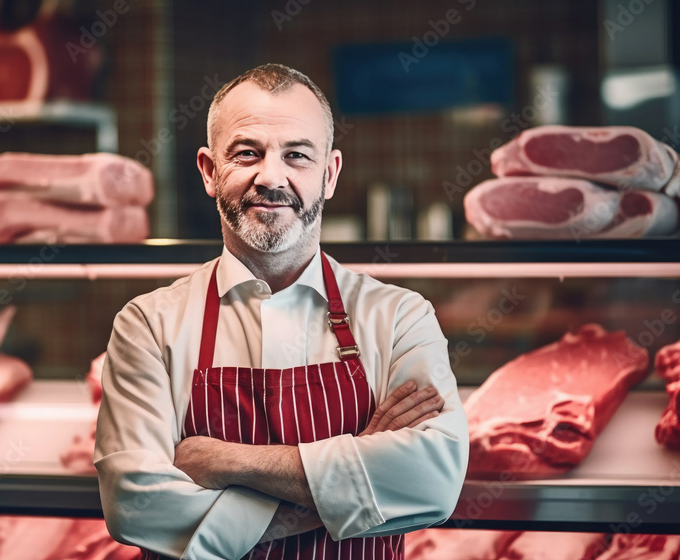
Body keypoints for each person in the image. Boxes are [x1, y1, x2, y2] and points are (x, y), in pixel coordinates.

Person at [94, 63, 468, 560]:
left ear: (329, 174)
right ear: (209, 171)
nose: (272, 177)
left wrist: (229, 462)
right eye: (247, 153)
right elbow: (135, 506)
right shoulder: (147, 324)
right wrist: (357, 474)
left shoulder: (399, 316)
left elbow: (431, 482)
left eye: (297, 155)